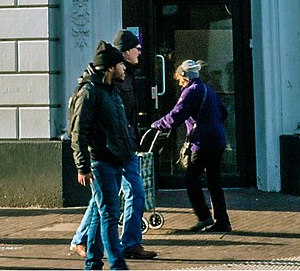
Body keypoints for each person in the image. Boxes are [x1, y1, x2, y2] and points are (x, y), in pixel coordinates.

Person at [74, 30, 153, 261]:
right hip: (106, 154)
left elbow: (123, 118)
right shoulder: (98, 89)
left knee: (126, 197)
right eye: (136, 48)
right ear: (124, 54)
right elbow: (81, 130)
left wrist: (130, 141)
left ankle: (127, 244)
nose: (139, 52)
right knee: (106, 209)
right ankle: (99, 252)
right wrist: (83, 165)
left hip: (124, 150)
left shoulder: (120, 80)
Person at [69, 42, 134, 271]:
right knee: (109, 214)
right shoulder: (89, 92)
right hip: (101, 162)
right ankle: (117, 265)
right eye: (120, 64)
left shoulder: (111, 90)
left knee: (99, 212)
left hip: (116, 160)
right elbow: (78, 131)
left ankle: (93, 264)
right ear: (108, 68)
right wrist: (82, 166)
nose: (124, 68)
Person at [150, 60, 229, 234]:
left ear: (185, 77)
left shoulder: (190, 92)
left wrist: (157, 124)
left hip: (202, 143)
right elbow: (224, 112)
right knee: (214, 182)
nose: (179, 83)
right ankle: (222, 220)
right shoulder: (209, 90)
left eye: (179, 79)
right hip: (218, 141)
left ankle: (204, 216)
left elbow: (176, 116)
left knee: (191, 179)